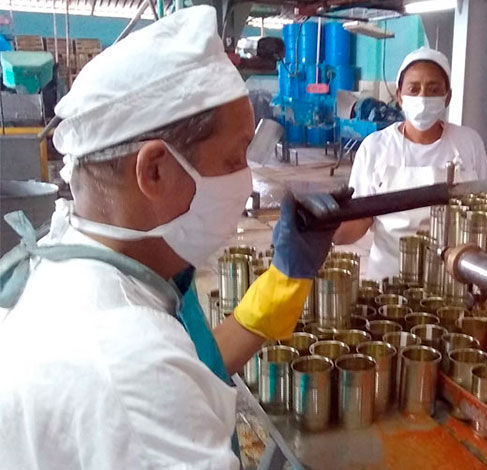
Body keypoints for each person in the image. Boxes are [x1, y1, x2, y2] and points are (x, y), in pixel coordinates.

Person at [0, 7, 339, 468]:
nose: (247, 178)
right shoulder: (133, 367)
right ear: (155, 170)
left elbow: (197, 361)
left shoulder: (81, 256)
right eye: (235, 157)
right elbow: (160, 371)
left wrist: (284, 277)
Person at [333, 47, 487, 281]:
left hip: (453, 279)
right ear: (399, 96)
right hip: (389, 280)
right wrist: (325, 230)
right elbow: (361, 219)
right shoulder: (376, 147)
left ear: (447, 96)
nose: (423, 97)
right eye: (414, 89)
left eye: (433, 89)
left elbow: (486, 212)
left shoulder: (468, 143)